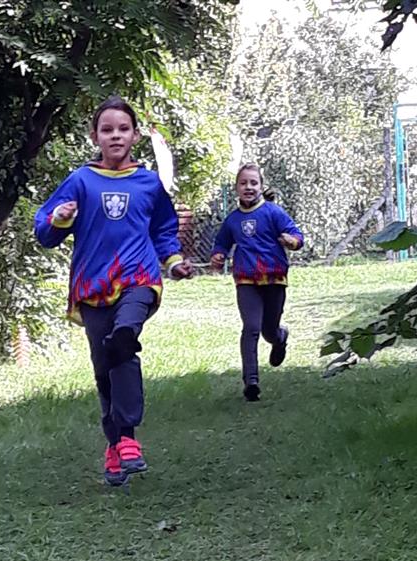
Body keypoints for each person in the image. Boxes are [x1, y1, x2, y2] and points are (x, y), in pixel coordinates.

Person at [34, 96, 192, 486]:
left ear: (135, 135)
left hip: (139, 280)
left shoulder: (149, 183)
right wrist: (59, 219)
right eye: (107, 130)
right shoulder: (80, 181)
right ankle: (116, 443)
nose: (116, 135)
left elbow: (163, 229)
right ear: (95, 137)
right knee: (105, 367)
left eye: (123, 129)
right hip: (93, 288)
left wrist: (173, 261)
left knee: (123, 338)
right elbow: (44, 232)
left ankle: (128, 435)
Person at [211, 163, 303, 401]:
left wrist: (291, 241)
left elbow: (297, 235)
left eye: (253, 183)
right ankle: (251, 381)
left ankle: (279, 338)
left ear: (261, 186)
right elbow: (222, 242)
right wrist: (218, 255)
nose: (248, 187)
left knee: (268, 331)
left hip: (274, 279)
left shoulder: (273, 213)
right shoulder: (232, 220)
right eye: (243, 183)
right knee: (251, 327)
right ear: (236, 188)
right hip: (246, 280)